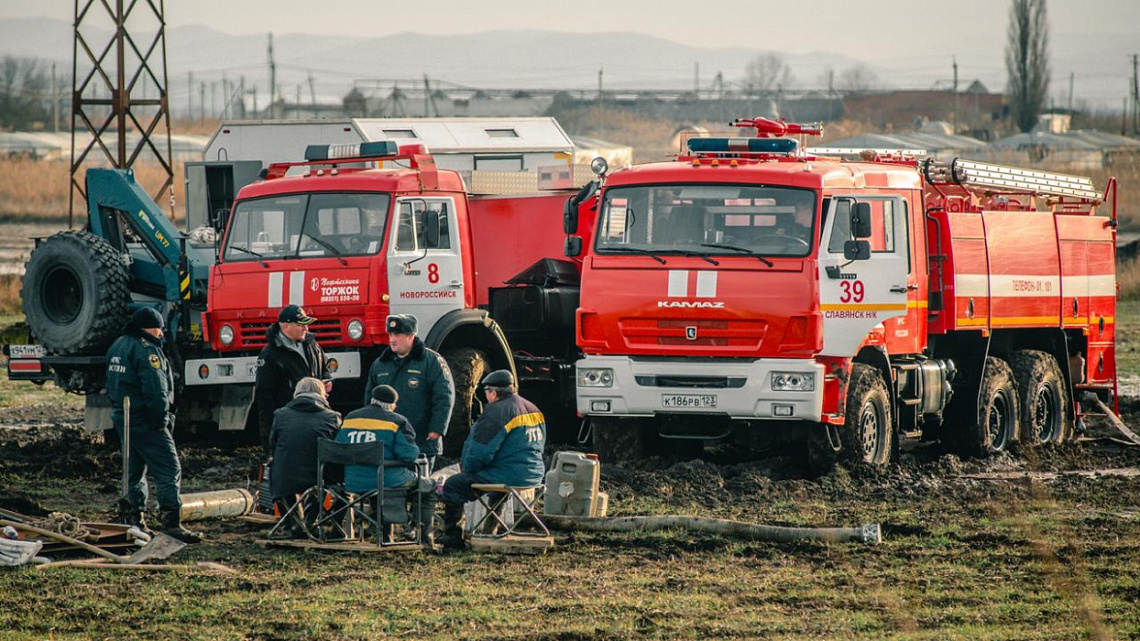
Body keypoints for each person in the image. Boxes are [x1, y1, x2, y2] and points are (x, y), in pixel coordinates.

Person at [105, 307, 200, 544]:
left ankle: (134, 519)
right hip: (146, 420)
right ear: (150, 328)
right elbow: (156, 390)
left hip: (124, 417)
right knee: (169, 467)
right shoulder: (148, 351)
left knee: (134, 470)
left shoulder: (117, 346)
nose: (161, 333)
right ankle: (171, 522)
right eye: (159, 328)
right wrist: (161, 422)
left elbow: (109, 383)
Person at [439, 369, 546, 548]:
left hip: (509, 475)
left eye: (487, 392)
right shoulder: (533, 409)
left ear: (493, 392)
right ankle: (491, 530)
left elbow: (479, 452)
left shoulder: (497, 412)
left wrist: (467, 469)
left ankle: (453, 537)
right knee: (499, 489)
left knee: (453, 485)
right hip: (533, 474)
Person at [339, 385, 434, 543]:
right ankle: (425, 538)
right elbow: (410, 456)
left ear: (372, 400)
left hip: (353, 481)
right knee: (428, 487)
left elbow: (339, 448)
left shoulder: (350, 418)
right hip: (387, 479)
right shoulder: (397, 421)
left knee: (380, 486)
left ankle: (385, 536)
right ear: (392, 405)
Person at [362, 314, 455, 470]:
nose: (392, 339)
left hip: (421, 440)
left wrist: (437, 427)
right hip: (388, 441)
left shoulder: (431, 361)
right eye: (390, 334)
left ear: (411, 336)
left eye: (397, 335)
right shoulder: (380, 364)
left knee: (419, 488)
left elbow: (444, 397)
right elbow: (369, 399)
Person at [255, 304, 330, 451]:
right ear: (286, 326)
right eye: (301, 325)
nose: (306, 328)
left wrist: (326, 379)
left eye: (307, 324)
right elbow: (264, 395)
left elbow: (324, 364)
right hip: (290, 422)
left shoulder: (311, 343)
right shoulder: (270, 354)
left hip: (316, 413)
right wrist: (271, 433)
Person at [269, 377, 342, 510]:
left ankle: (291, 522)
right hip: (321, 476)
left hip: (286, 476)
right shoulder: (333, 417)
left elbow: (272, 446)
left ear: (296, 394)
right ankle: (312, 519)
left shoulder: (280, 415)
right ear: (322, 395)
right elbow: (338, 450)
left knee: (276, 467)